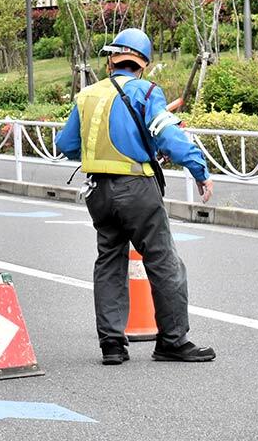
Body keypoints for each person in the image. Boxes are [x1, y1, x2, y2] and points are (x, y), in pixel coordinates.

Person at [55, 28, 216, 366]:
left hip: (98, 192)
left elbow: (66, 145)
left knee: (109, 262)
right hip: (137, 190)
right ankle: (173, 340)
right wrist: (199, 171)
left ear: (111, 60)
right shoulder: (147, 91)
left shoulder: (86, 96)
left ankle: (112, 345)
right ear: (142, 63)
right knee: (162, 260)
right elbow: (168, 134)